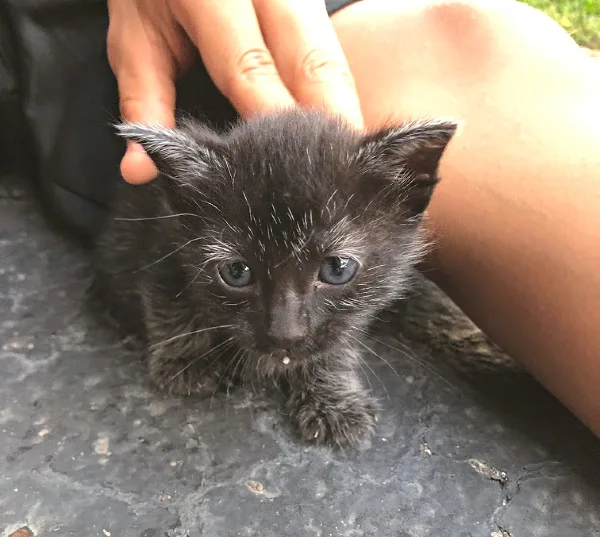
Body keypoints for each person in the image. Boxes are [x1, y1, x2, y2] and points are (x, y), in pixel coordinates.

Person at [3, 0, 600, 434]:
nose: (287, 328)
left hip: (287, 31)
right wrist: (184, 345)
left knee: (476, 35)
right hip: (66, 63)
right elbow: (163, 272)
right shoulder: (188, 214)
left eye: (336, 268)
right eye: (237, 274)